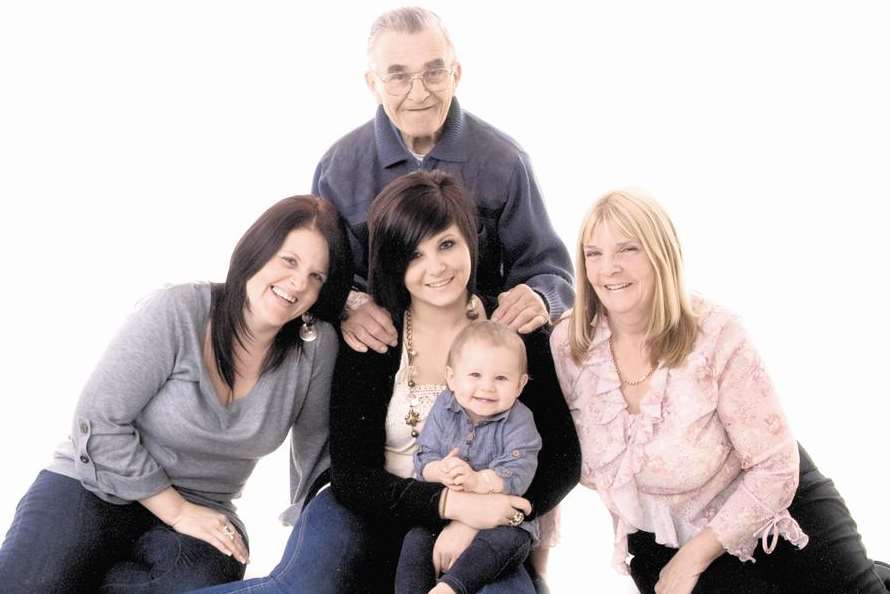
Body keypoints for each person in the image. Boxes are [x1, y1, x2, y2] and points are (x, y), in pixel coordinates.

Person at [193, 170, 580, 594]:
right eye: (414, 255)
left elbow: (562, 461)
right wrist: (450, 504)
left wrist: (478, 517)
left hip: (486, 520)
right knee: (299, 586)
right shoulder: (374, 333)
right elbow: (352, 473)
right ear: (394, 264)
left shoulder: (512, 329)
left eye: (447, 244)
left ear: (470, 240)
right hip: (365, 510)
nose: (436, 267)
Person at [0, 196, 352, 594]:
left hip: (205, 511)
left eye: (316, 276)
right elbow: (98, 421)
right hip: (95, 484)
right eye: (289, 261)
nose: (298, 284)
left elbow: (317, 463)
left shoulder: (314, 346)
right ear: (257, 250)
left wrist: (311, 554)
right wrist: (176, 510)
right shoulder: (179, 309)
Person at [549, 188, 890, 593]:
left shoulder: (715, 334)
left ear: (662, 255)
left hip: (772, 502)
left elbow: (775, 467)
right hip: (665, 536)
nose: (609, 269)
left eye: (628, 249)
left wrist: (695, 557)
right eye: (594, 254)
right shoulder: (569, 347)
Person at [312, 6, 574, 355]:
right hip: (378, 356)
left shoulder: (505, 162)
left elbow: (550, 271)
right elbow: (314, 272)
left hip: (480, 357)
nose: (419, 94)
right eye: (398, 76)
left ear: (456, 74)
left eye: (434, 72)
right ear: (373, 84)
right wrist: (347, 304)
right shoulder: (338, 168)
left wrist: (540, 295)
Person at [396, 320, 542, 594]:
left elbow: (519, 470)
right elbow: (424, 457)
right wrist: (439, 470)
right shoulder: (444, 406)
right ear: (452, 378)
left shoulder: (520, 420)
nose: (486, 387)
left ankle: (450, 588)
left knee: (507, 541)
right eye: (475, 375)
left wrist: (478, 481)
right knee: (416, 539)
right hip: (446, 511)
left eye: (501, 378)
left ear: (520, 385)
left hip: (500, 518)